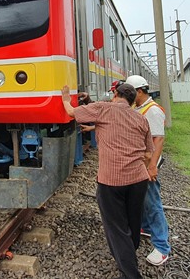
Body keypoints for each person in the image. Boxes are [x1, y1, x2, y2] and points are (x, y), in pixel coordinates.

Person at [62, 83, 154, 279]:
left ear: (115, 94)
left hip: (111, 181)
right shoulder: (141, 118)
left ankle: (130, 273)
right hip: (139, 180)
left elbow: (71, 112)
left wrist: (63, 97)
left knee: (116, 228)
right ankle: (128, 254)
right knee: (133, 221)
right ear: (131, 100)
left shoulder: (103, 109)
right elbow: (148, 154)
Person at [126, 74, 171, 266]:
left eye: (131, 92)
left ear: (140, 91)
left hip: (147, 164)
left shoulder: (152, 111)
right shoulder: (140, 107)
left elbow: (158, 140)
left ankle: (162, 247)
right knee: (143, 199)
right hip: (141, 163)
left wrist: (152, 166)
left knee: (152, 203)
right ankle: (145, 227)